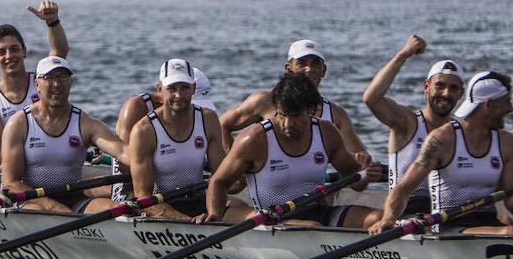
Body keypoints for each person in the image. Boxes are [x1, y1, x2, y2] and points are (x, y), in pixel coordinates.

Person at [197, 73, 382, 228]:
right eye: (282, 115)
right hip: (272, 218)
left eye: (295, 117)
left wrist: (366, 173)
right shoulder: (254, 139)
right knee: (312, 228)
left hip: (319, 212)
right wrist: (214, 215)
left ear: (311, 110)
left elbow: (356, 182)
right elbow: (218, 182)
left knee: (378, 218)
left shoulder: (327, 132)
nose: (287, 124)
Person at [369, 71, 513, 235]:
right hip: (448, 226)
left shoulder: (506, 142)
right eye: (507, 101)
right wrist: (388, 218)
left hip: (487, 223)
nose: (511, 108)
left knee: (510, 226)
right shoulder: (442, 139)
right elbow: (404, 189)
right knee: (510, 231)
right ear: (488, 104)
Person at [0, 56, 125, 213]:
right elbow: (11, 183)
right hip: (30, 199)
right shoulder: (18, 124)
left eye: (63, 77)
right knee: (38, 211)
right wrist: (54, 207)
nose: (57, 84)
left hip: (74, 198)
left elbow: (123, 152)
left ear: (70, 83)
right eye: (49, 78)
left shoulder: (86, 123)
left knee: (115, 209)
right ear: (37, 84)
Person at [218, 39, 371, 163]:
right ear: (288, 68)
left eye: (315, 64)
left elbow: (359, 153)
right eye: (302, 63)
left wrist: (364, 160)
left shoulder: (337, 114)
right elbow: (222, 125)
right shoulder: (263, 101)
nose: (309, 69)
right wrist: (233, 165)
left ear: (324, 70)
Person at [360, 35, 463, 218]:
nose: (446, 93)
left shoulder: (461, 131)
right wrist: (403, 54)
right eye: (439, 85)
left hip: (448, 211)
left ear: (461, 93)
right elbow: (371, 98)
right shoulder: (407, 123)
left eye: (453, 88)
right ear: (426, 86)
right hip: (406, 211)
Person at [126, 59, 226, 220]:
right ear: (160, 89)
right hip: (161, 206)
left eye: (185, 88)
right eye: (171, 88)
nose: (178, 95)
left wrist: (214, 212)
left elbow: (221, 177)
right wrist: (186, 221)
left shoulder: (209, 119)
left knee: (239, 207)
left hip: (200, 200)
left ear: (193, 88)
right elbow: (143, 197)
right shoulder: (144, 130)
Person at [0, 1, 71, 159]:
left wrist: (52, 21)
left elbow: (60, 51)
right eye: (1, 52)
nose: (9, 56)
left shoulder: (43, 80)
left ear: (24, 51)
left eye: (14, 49)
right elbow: (2, 153)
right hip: (21, 167)